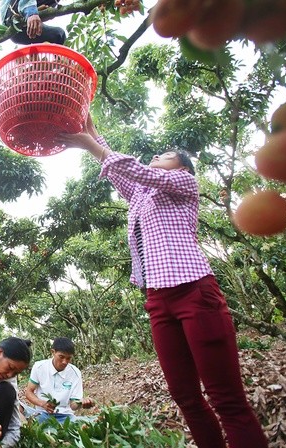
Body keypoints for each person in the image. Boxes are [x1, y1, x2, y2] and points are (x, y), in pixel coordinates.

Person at [56, 116, 268, 448]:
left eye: (165, 155)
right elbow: (123, 172)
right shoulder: (143, 197)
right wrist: (93, 131)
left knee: (226, 399)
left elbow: (138, 171)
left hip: (194, 293)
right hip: (158, 301)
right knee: (185, 396)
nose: (156, 157)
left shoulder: (185, 184)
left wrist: (88, 142)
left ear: (181, 168)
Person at [23, 337, 93, 424]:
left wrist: (81, 403)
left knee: (90, 422)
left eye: (68, 358)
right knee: (18, 407)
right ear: (53, 352)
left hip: (66, 416)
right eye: (61, 357)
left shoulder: (75, 373)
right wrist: (43, 404)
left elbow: (73, 405)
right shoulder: (39, 367)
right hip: (42, 414)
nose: (64, 362)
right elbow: (29, 392)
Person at [0, 0, 66, 46]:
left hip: (24, 30)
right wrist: (31, 12)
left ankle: (52, 64)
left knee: (59, 35)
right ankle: (28, 12)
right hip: (13, 14)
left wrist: (44, 14)